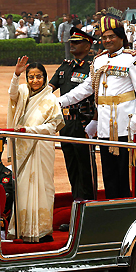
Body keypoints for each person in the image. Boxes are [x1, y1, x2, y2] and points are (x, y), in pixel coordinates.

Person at [58, 11, 136, 199]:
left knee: (125, 174)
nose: (107, 40)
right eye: (104, 37)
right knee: (108, 173)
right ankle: (112, 210)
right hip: (104, 126)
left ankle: (126, 210)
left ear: (121, 38)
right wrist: (60, 101)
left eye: (112, 37)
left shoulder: (131, 59)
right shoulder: (99, 60)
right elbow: (86, 88)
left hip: (126, 124)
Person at [7, 56, 65, 242]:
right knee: (23, 188)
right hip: (22, 148)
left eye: (38, 76)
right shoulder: (22, 91)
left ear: (45, 77)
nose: (34, 80)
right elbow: (12, 95)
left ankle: (42, 230)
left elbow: (54, 125)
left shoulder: (50, 99)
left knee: (43, 186)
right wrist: (16, 75)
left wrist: (30, 130)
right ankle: (22, 230)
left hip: (40, 147)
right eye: (30, 77)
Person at [49, 27, 96, 208]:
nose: (72, 46)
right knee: (72, 167)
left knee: (86, 168)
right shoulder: (65, 66)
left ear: (88, 45)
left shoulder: (92, 67)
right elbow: (50, 88)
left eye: (77, 43)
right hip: (66, 123)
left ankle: (90, 209)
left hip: (84, 123)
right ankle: (77, 208)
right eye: (71, 43)